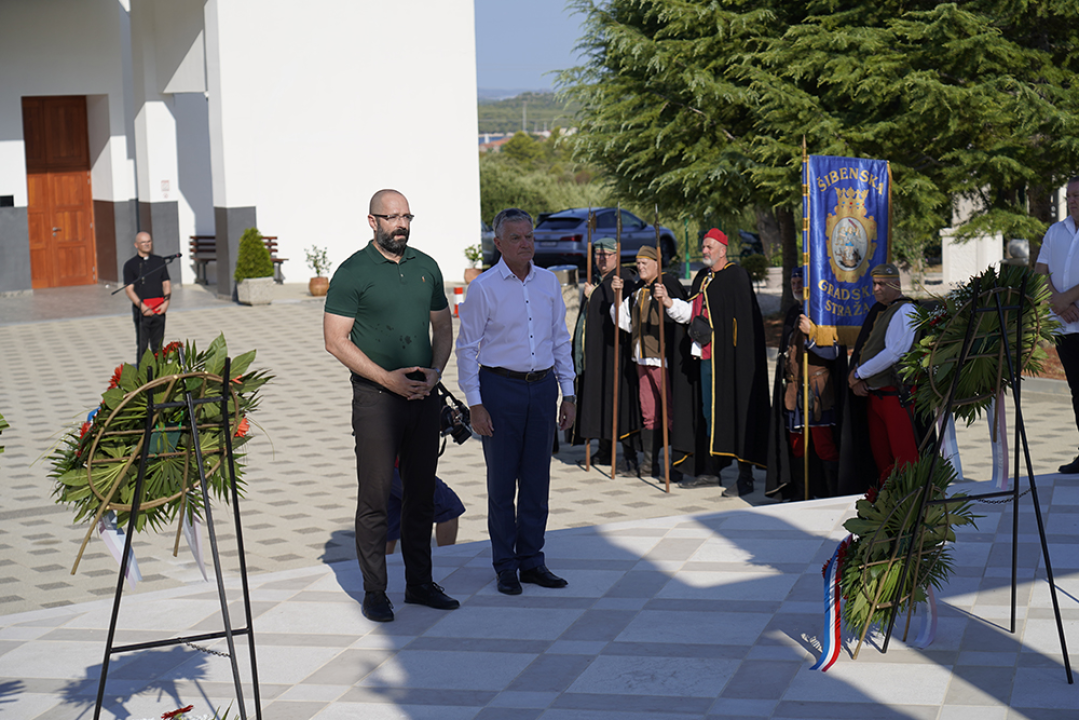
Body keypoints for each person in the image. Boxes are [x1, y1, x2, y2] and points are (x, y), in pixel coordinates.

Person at [323, 188, 459, 622]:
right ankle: (375, 592)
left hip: (423, 395)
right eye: (392, 217)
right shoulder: (352, 272)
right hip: (376, 400)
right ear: (372, 221)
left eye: (406, 217)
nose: (401, 225)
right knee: (376, 498)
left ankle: (419, 583)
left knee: (421, 496)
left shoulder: (426, 266)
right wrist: (386, 379)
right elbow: (335, 340)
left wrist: (436, 372)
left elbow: (443, 328)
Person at [456, 207, 576, 596]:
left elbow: (560, 339)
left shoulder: (548, 283)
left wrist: (568, 392)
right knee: (502, 483)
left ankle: (532, 561)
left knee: (537, 481)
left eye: (529, 236)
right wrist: (475, 403)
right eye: (516, 238)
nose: (525, 244)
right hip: (499, 390)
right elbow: (466, 349)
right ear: (498, 243)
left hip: (542, 390)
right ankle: (505, 565)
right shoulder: (484, 288)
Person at [681, 229, 769, 497]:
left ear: (723, 249)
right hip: (706, 359)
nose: (705, 250)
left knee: (737, 412)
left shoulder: (736, 276)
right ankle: (711, 469)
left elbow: (744, 321)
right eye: (703, 246)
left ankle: (745, 476)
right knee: (709, 414)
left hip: (732, 362)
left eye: (710, 246)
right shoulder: (702, 278)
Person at [611, 246, 702, 483]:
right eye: (638, 263)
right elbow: (623, 322)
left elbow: (684, 315)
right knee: (649, 413)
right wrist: (618, 295)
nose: (640, 267)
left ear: (656, 264)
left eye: (644, 263)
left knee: (671, 412)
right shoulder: (638, 292)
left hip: (662, 361)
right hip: (641, 359)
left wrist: (667, 301)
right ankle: (650, 463)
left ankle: (677, 463)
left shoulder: (668, 284)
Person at [765, 267, 846, 500]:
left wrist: (812, 334)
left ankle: (832, 496)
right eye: (793, 282)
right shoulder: (793, 312)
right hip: (794, 390)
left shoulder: (825, 312)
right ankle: (801, 495)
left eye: (801, 282)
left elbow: (833, 352)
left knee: (824, 445)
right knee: (797, 444)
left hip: (818, 390)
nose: (797, 286)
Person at [572, 237, 642, 476]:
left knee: (619, 402)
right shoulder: (599, 281)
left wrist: (594, 295)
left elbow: (620, 313)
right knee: (599, 400)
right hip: (597, 354)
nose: (602, 259)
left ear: (616, 256)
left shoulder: (623, 280)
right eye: (598, 255)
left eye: (607, 255)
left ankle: (630, 457)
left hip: (616, 355)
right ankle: (604, 448)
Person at [846, 263, 920, 485]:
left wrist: (859, 374)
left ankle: (913, 501)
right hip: (877, 396)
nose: (876, 289)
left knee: (905, 459)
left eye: (882, 284)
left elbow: (894, 353)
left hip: (896, 396)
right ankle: (889, 501)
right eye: (874, 284)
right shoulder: (884, 310)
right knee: (882, 459)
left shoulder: (906, 310)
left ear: (896, 284)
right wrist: (861, 379)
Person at [1035, 176, 1079, 473]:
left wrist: (1066, 299)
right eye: (1069, 196)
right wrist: (1057, 303)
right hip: (1064, 326)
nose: (1072, 200)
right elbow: (1040, 272)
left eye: (1077, 195)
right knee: (1077, 391)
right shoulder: (1055, 231)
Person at [385, 467, 465, 555]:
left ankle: (382, 562)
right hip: (403, 465)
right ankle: (445, 558)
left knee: (391, 516)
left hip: (381, 466)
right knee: (447, 506)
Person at [123, 231, 170, 363]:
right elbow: (129, 290)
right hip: (142, 311)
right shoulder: (130, 265)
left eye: (149, 241)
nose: (147, 244)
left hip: (159, 308)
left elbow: (166, 283)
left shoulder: (159, 261)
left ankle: (159, 372)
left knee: (158, 346)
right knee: (142, 345)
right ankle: (143, 373)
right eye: (143, 242)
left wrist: (166, 303)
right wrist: (142, 306)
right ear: (136, 245)